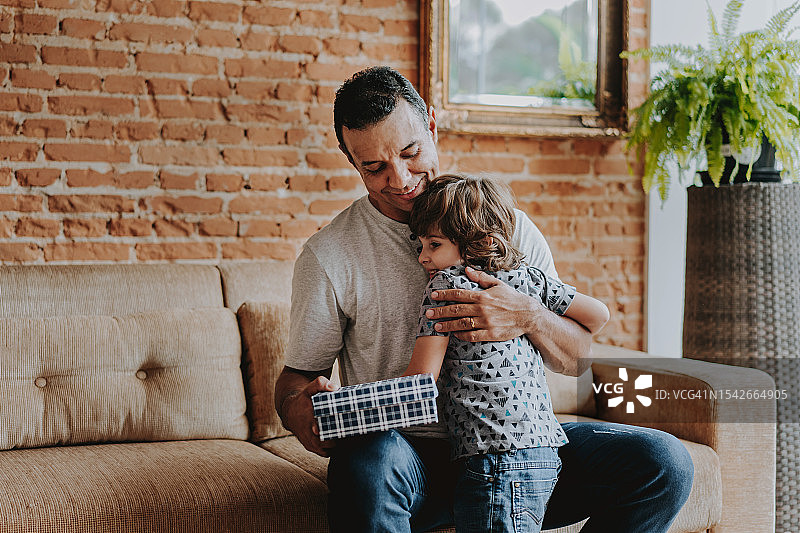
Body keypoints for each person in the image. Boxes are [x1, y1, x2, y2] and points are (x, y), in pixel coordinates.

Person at [274, 65, 693, 533]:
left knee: (664, 463)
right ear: (351, 159)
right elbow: (295, 381)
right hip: (407, 459)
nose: (401, 178)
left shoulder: (505, 229)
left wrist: (530, 315)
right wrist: (301, 411)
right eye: (374, 167)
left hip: (515, 444)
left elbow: (578, 359)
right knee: (365, 460)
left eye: (411, 153)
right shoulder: (330, 254)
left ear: (431, 125)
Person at [401, 173, 610, 532]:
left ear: (475, 241)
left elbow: (420, 382)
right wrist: (533, 309)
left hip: (491, 456)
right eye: (420, 245)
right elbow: (599, 315)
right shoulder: (529, 279)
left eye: (433, 244)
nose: (423, 257)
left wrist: (351, 409)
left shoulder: (445, 285)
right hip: (546, 452)